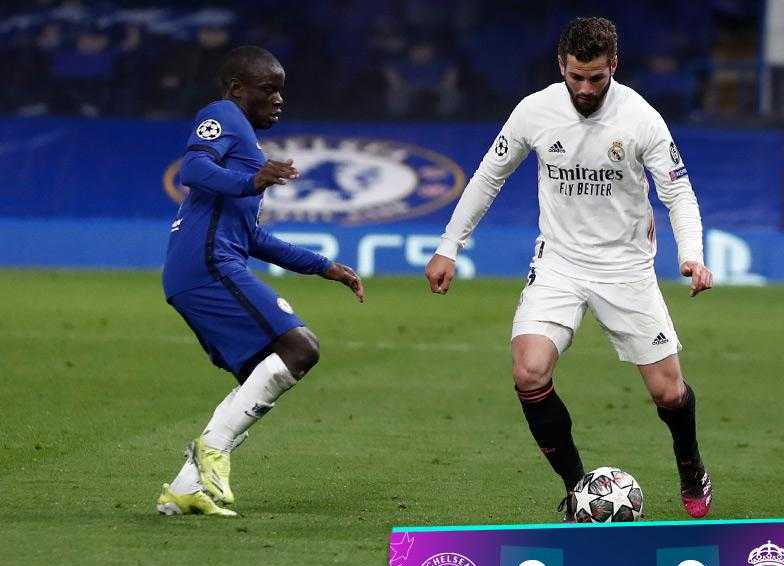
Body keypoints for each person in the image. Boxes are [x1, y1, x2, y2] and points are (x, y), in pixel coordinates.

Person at [424, 17, 716, 520]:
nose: (585, 88)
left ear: (614, 66)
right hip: (559, 262)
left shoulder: (641, 119)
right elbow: (489, 176)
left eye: (596, 78)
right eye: (576, 76)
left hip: (625, 268)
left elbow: (678, 192)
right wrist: (449, 245)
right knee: (529, 371)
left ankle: (690, 465)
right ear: (561, 65)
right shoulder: (535, 111)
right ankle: (578, 488)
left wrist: (692, 254)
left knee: (668, 392)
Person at [157, 46, 364, 517]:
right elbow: (192, 169)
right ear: (237, 89)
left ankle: (186, 487)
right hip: (207, 264)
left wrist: (323, 266)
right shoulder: (222, 115)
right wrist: (252, 182)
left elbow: (252, 236)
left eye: (281, 91)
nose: (278, 100)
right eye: (268, 89)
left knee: (260, 376)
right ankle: (212, 452)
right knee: (300, 348)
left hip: (208, 264)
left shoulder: (247, 146)